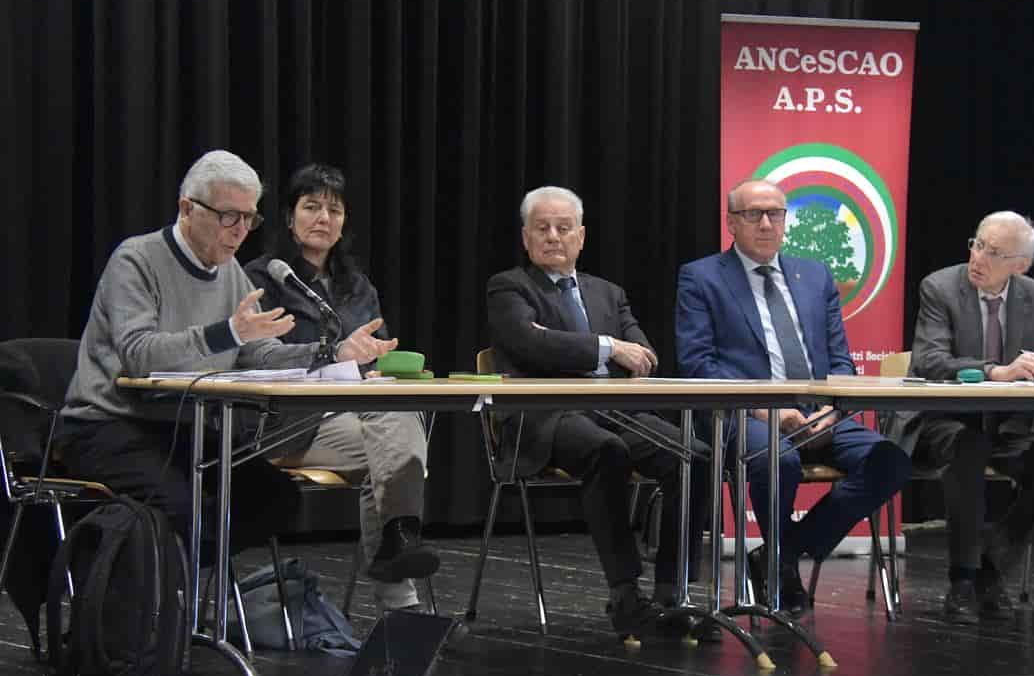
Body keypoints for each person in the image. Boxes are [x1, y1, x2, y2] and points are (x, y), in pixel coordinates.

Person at [58, 150, 395, 559]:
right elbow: (138, 353)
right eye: (228, 216)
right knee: (183, 506)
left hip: (180, 428)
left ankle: (196, 594)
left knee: (274, 498)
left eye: (250, 218)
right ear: (187, 209)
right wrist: (227, 333)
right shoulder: (137, 259)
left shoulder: (230, 272)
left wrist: (334, 352)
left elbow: (260, 353)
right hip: (108, 424)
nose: (240, 230)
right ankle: (166, 601)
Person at [675, 178, 910, 616]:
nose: (766, 223)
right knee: (777, 461)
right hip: (745, 416)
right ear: (731, 223)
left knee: (889, 461)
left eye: (775, 213)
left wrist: (830, 409)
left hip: (817, 414)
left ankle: (781, 555)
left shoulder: (814, 275)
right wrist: (770, 410)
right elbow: (699, 366)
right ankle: (782, 572)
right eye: (753, 214)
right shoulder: (701, 277)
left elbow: (841, 362)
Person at [486, 186, 709, 640]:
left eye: (563, 228)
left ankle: (672, 593)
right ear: (526, 238)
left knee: (696, 456)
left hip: (613, 411)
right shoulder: (509, 287)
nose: (553, 237)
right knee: (605, 450)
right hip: (543, 417)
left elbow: (644, 354)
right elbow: (531, 344)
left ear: (581, 236)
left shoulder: (608, 293)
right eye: (542, 228)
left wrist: (611, 350)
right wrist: (607, 347)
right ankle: (626, 595)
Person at [886, 211, 1034, 622]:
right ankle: (962, 582)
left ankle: (993, 565)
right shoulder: (940, 287)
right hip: (941, 422)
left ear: (1019, 266)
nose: (978, 258)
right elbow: (931, 361)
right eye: (977, 244)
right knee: (969, 449)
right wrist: (995, 371)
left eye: (993, 252)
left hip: (1004, 425)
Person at [245, 164, 438, 611]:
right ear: (289, 218)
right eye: (311, 206)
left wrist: (384, 365)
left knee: (398, 424)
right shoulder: (264, 278)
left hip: (355, 416)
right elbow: (257, 358)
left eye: (334, 209)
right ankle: (403, 592)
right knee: (390, 447)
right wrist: (336, 356)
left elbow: (375, 351)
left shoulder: (357, 287)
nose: (323, 218)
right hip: (288, 424)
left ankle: (399, 549)